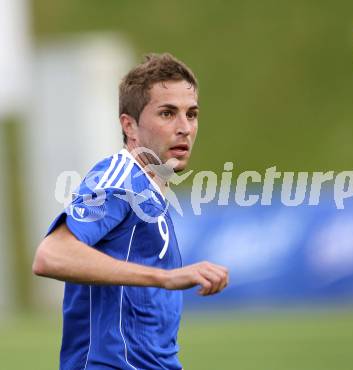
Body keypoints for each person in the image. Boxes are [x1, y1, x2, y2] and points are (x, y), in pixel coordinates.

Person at [32, 53, 229, 370]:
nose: (184, 128)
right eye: (167, 113)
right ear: (130, 125)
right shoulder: (121, 181)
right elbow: (51, 255)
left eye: (191, 114)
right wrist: (165, 278)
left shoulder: (149, 186)